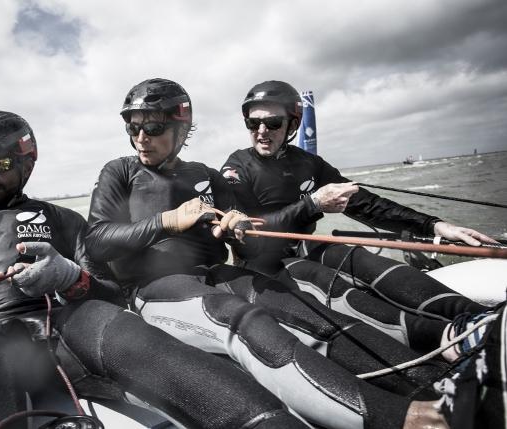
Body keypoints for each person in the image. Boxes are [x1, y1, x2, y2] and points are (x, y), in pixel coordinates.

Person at [84, 78, 477, 429]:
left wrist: (238, 229)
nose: (140, 138)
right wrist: (168, 221)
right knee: (245, 319)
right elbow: (98, 240)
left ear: (181, 126)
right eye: (132, 127)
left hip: (215, 273)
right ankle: (403, 419)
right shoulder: (119, 171)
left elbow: (252, 245)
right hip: (154, 286)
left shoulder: (206, 175)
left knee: (303, 309)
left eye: (151, 127)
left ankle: (429, 381)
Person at [0, 110, 309, 429]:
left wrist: (71, 278)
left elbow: (108, 292)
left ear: (25, 161)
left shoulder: (65, 221)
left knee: (127, 332)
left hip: (72, 328)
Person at [221, 80, 499, 354]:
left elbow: (367, 205)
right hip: (262, 266)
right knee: (318, 276)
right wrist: (314, 202)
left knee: (357, 257)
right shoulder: (237, 167)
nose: (261, 131)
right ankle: (451, 337)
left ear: (292, 124)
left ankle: (486, 320)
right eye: (252, 123)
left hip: (305, 247)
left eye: (272, 123)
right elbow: (251, 236)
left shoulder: (308, 163)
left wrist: (436, 225)